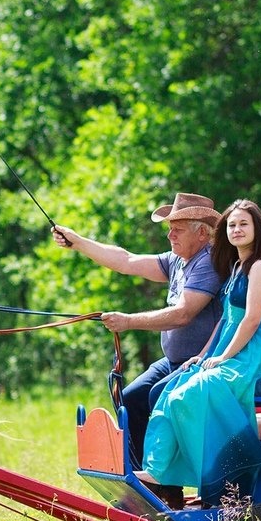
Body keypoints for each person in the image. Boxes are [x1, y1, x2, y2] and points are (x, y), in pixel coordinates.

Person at [52, 192, 223, 469]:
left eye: (176, 229)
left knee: (157, 395)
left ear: (202, 233)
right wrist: (78, 242)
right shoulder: (177, 260)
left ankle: (162, 481)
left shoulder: (209, 261)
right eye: (169, 229)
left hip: (201, 364)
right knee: (130, 399)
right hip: (174, 362)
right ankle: (141, 478)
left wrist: (128, 321)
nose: (170, 235)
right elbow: (126, 261)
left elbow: (183, 314)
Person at [140, 198, 261, 507]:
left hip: (246, 358)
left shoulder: (260, 267)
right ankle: (157, 471)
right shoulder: (236, 267)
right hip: (224, 352)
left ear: (257, 228)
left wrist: (222, 358)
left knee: (186, 396)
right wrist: (202, 355)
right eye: (232, 225)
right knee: (171, 390)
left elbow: (251, 320)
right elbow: (224, 322)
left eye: (244, 223)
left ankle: (215, 476)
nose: (237, 229)